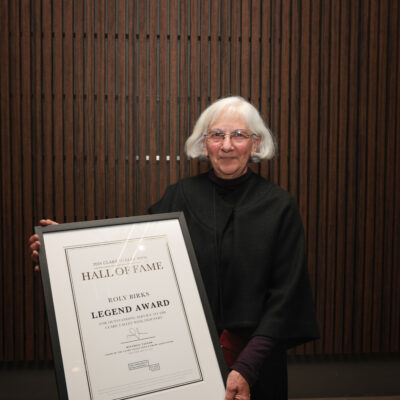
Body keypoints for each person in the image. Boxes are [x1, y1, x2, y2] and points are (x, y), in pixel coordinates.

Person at [29, 96, 319, 400]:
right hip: (185, 362)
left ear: (256, 144)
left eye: (239, 135)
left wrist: (247, 367)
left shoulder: (279, 206)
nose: (227, 145)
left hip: (256, 364)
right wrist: (63, 253)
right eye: (217, 135)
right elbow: (129, 262)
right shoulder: (179, 197)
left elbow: (286, 299)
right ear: (204, 143)